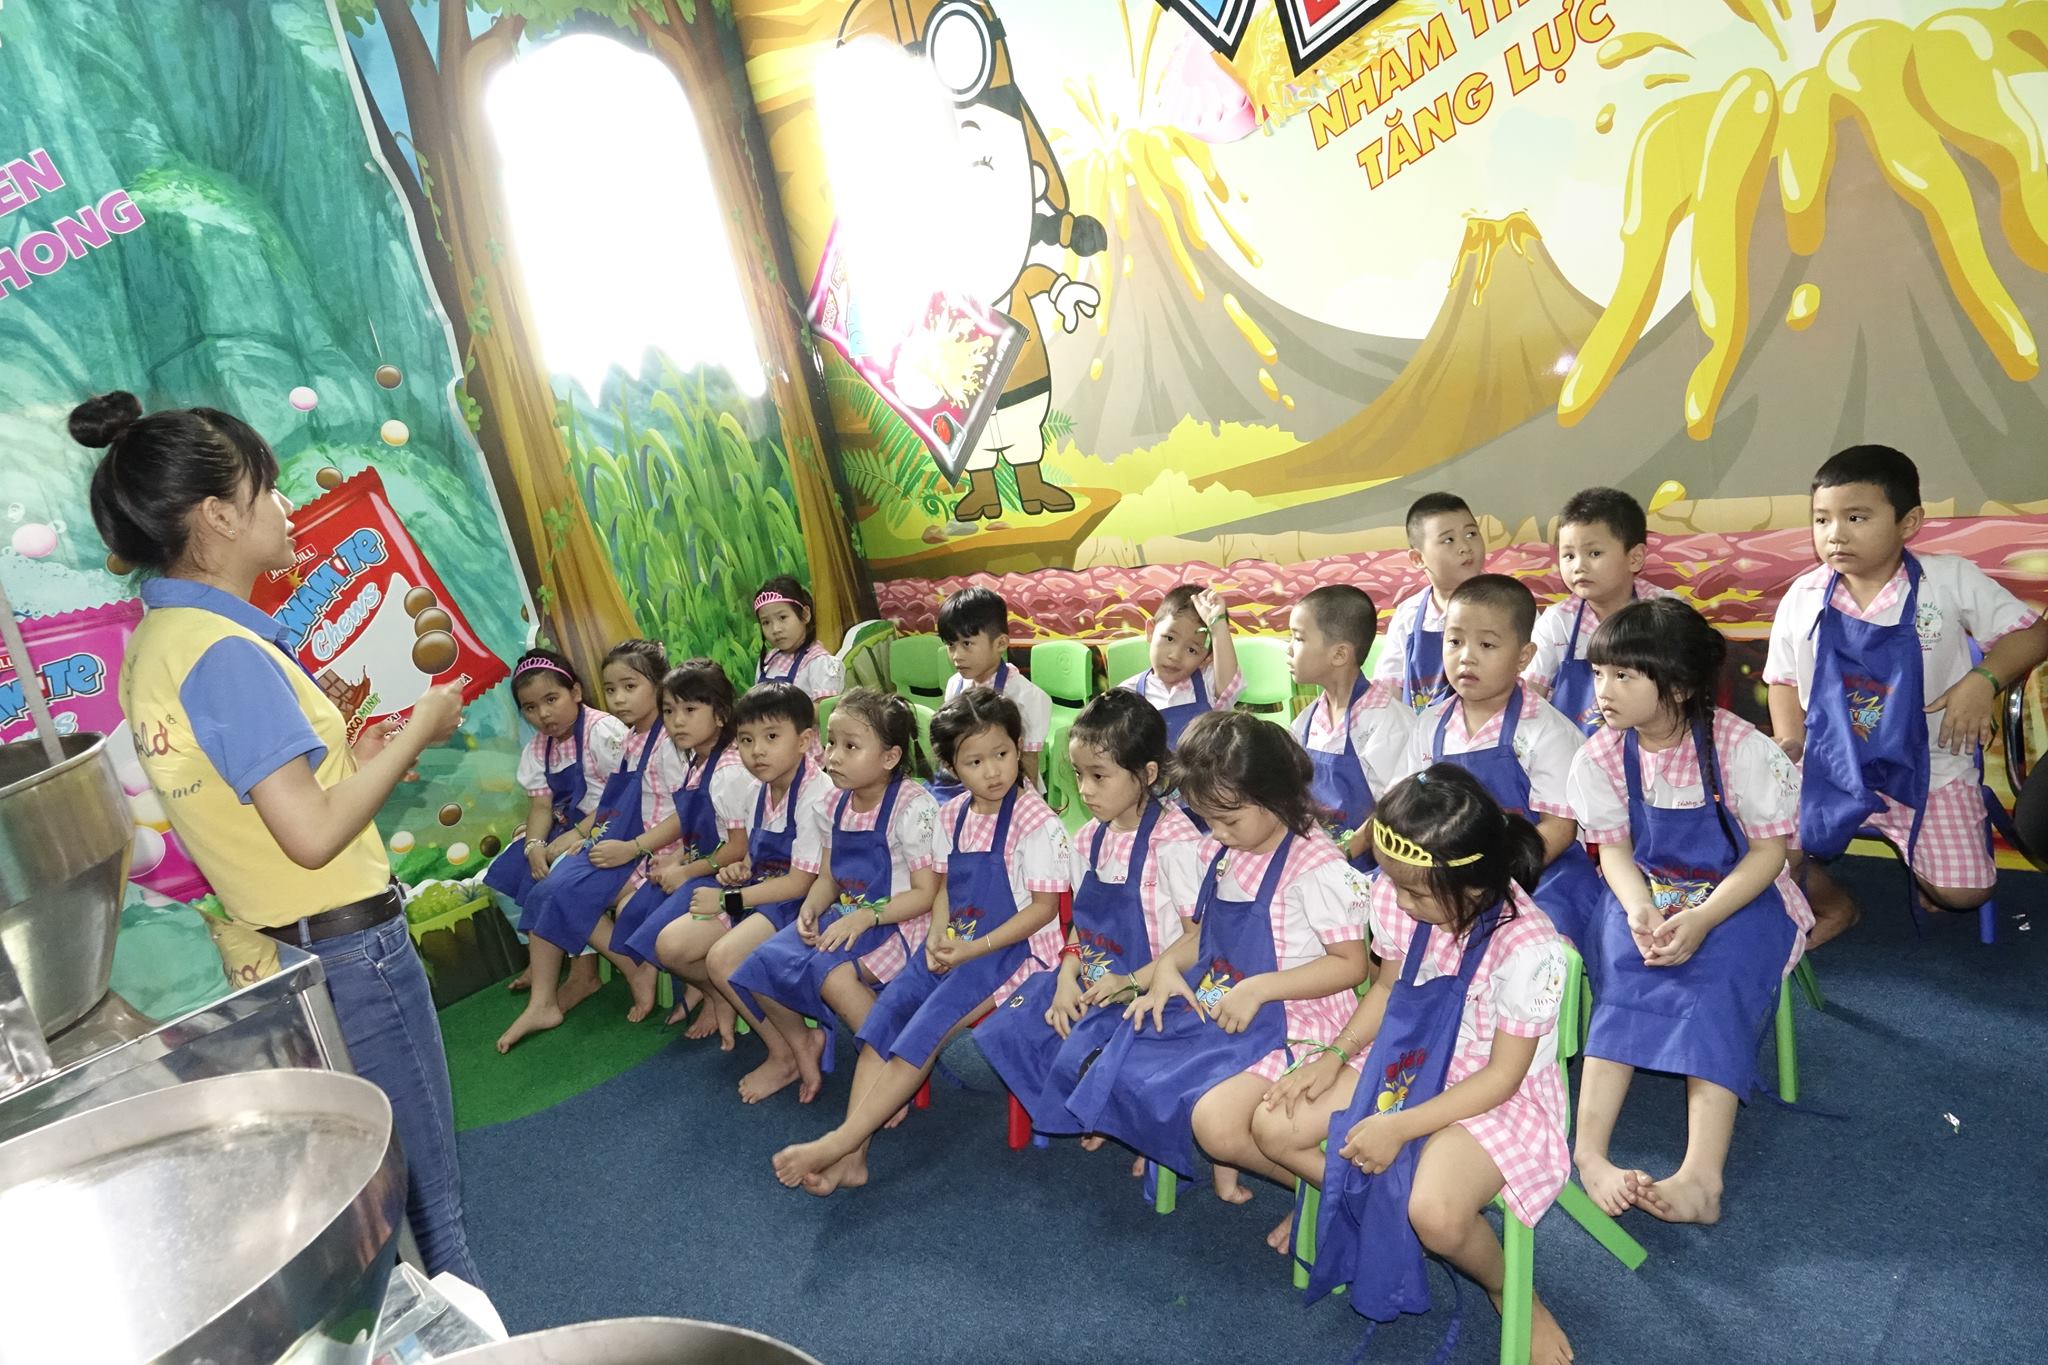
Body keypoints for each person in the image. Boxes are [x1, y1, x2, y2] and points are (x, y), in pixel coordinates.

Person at [80, 389, 480, 1280]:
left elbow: (262, 803)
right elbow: (309, 834)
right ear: (220, 516)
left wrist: (352, 759)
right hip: (350, 956)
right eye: (265, 490)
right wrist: (421, 727)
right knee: (429, 1218)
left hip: (288, 952)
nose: (285, 506)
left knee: (376, 1225)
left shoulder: (161, 642)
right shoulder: (225, 652)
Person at [1266, 767, 1572, 1365]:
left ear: (1476, 884)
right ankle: (1366, 1209)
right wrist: (1335, 1055)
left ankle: (1509, 1289)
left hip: (1491, 1093)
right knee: (1274, 1126)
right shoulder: (1399, 893)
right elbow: (1386, 988)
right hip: (1407, 1059)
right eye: (1393, 883)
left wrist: (1399, 1127)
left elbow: (1502, 1078)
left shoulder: (1529, 949)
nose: (1399, 901)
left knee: (1435, 1214)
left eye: (1416, 894)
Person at [1066, 710, 1371, 1248]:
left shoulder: (1316, 866)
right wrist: (1165, 970)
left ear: (1275, 797)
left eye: (1229, 819)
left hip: (1294, 1021)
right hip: (1226, 1004)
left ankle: (1333, 1195)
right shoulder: (1223, 850)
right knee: (1121, 1054)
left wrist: (1261, 987)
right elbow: (1201, 937)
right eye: (1209, 819)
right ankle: (1311, 1192)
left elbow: (1351, 965)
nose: (1219, 833)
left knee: (1217, 1127)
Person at [1568, 598, 1812, 1225]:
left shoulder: (1740, 749)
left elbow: (1768, 856)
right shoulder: (1600, 755)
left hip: (1739, 893)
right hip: (1647, 889)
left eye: (1624, 675)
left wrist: (1703, 919)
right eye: (1599, 673)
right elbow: (1614, 851)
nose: (1604, 690)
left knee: (1713, 977)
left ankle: (1701, 1178)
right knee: (1624, 965)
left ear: (1677, 686)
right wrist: (1639, 909)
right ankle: (1589, 1154)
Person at [773, 687, 1070, 1195]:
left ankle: (839, 1142)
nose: (993, 771)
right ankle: (854, 1158)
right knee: (884, 1021)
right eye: (975, 761)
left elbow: (1043, 912)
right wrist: (937, 934)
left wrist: (972, 949)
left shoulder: (1037, 822)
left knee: (924, 1032)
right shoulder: (951, 815)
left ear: (1018, 746)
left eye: (1002, 753)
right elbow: (945, 888)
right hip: (957, 940)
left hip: (1013, 952)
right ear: (952, 767)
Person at [1765, 444, 2047, 946]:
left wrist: (1982, 680)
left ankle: (1927, 870)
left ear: (1909, 522)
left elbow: (2033, 633)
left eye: (1856, 517)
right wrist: (1790, 743)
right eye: (1821, 519)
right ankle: (1836, 906)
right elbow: (1783, 679)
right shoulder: (1802, 596)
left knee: (1964, 893)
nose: (1835, 534)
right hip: (1831, 764)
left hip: (1931, 764)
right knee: (1764, 853)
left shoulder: (1949, 579)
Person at [972, 689, 1205, 1169]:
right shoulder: (1087, 839)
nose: (1085, 790)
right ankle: (1093, 1109)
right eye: (1078, 774)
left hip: (1155, 987)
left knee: (1105, 1050)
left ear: (1148, 774)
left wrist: (1131, 981)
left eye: (1099, 776)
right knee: (1012, 1024)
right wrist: (1064, 978)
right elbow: (1082, 926)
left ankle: (1120, 1118)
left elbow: (1197, 937)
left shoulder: (1175, 842)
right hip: (1096, 978)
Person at [726, 689, 940, 1104]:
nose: (833, 757)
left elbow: (925, 894)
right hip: (848, 914)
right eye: (831, 743)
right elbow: (828, 877)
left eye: (850, 746)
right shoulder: (832, 804)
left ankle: (889, 1075)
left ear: (890, 757)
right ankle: (801, 1047)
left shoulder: (914, 809)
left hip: (902, 924)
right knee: (761, 963)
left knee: (834, 978)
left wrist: (865, 917)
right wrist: (811, 908)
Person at [497, 640, 688, 1052]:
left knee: (559, 886)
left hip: (652, 846)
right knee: (546, 882)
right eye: (612, 689)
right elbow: (615, 801)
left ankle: (626, 968)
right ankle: (546, 998)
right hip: (621, 834)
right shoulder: (634, 739)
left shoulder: (659, 741)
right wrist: (555, 840)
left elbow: (688, 814)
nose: (618, 699)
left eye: (629, 687)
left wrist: (622, 845)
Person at [1414, 575, 1602, 948]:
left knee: (1542, 938)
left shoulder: (1548, 732)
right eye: (1454, 641)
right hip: (1450, 873)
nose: (1466, 656)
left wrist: (1494, 879)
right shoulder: (1429, 725)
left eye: (1486, 644)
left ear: (1523, 657)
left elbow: (1559, 828)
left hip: (1541, 872)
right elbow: (1417, 812)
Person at [699, 684, 830, 1099]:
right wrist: (741, 868)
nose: (757, 751)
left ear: (805, 740)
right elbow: (758, 856)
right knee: (676, 947)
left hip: (803, 903)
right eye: (745, 739)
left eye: (772, 737)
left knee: (722, 959)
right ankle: (742, 1009)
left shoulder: (817, 793)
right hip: (762, 892)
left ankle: (788, 1049)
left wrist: (728, 899)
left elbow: (801, 883)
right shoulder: (759, 788)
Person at [608, 661, 751, 1034]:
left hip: (735, 877)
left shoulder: (729, 771)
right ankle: (708, 991)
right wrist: (676, 858)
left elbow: (738, 848)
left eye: (690, 709)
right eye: (669, 711)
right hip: (705, 866)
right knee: (635, 913)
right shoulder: (697, 762)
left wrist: (685, 871)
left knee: (667, 945)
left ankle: (719, 993)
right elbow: (702, 831)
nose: (677, 721)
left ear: (721, 714)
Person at [483, 649, 625, 1003]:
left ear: (575, 692)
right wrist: (533, 845)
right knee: (507, 871)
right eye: (530, 707)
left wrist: (576, 835)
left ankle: (583, 973)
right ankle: (542, 957)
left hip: (614, 824)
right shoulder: (538, 749)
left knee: (556, 877)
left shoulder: (602, 731)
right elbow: (541, 806)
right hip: (568, 827)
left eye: (551, 699)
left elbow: (624, 797)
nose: (543, 714)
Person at [1288, 583, 1416, 871]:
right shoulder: (1306, 721)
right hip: (1317, 864)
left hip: (1372, 869)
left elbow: (1398, 807)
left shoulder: (1387, 721)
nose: (1289, 649)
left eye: (1298, 638)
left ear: (1339, 654)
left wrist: (1344, 851)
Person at [1524, 487, 1667, 735]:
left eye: (1594, 553)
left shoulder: (1666, 612)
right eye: (1568, 555)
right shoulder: (1556, 622)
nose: (1579, 566)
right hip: (1572, 750)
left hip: (1651, 745)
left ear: (1635, 557)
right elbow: (1529, 696)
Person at [928, 586, 1051, 803]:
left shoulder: (1027, 697)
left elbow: (1029, 762)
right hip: (966, 784)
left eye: (967, 644)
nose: (956, 655)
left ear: (1000, 643)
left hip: (1008, 788)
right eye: (951, 645)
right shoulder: (955, 685)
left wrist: (1025, 806)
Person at [1375, 492, 1487, 713]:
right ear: (1418, 559)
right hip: (1421, 731)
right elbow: (1389, 686)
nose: (1465, 546)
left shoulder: (1509, 603)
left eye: (1471, 534)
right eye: (1449, 540)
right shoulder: (1409, 614)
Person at [1120, 583, 1242, 749]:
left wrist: (1217, 624)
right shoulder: (1127, 694)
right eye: (1169, 638)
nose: (1175, 656)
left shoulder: (1209, 684)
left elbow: (1230, 687)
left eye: (1192, 650)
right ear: (1151, 631)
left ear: (1207, 658)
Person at [754, 576, 843, 699]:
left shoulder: (819, 662)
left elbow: (824, 707)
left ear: (805, 614)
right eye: (766, 622)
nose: (775, 629)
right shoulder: (768, 661)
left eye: (782, 617)